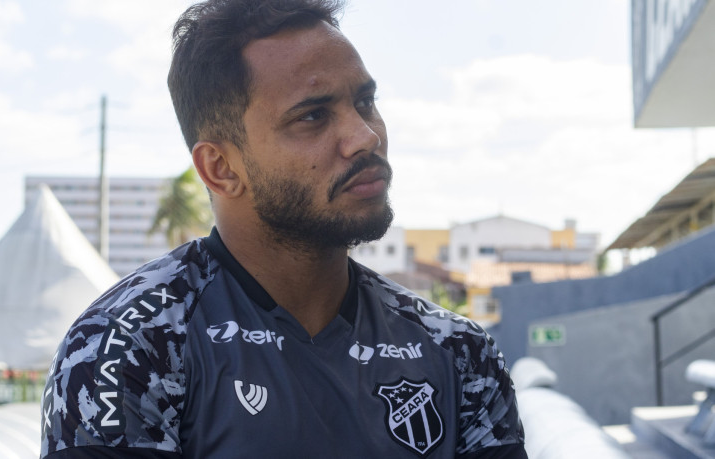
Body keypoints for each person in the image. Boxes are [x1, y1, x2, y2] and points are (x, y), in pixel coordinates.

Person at [40, 0, 526, 457]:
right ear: (222, 169)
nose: (366, 136)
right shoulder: (129, 347)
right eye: (313, 116)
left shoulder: (457, 352)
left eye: (365, 101)